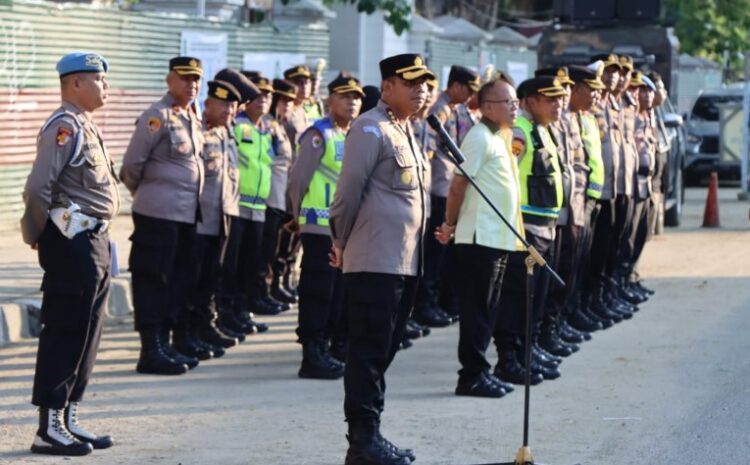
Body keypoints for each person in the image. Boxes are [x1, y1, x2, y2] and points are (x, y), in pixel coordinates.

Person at [329, 53, 432, 465]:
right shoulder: (370, 129)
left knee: (383, 349)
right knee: (369, 351)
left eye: (425, 83)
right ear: (387, 87)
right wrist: (339, 241)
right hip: (374, 260)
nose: (421, 90)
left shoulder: (405, 130)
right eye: (411, 83)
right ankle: (362, 442)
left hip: (403, 261)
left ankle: (370, 435)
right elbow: (347, 193)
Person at [21, 51, 118, 456]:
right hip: (71, 242)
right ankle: (49, 427)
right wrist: (37, 235)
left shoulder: (87, 126)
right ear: (75, 83)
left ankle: (69, 416)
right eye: (97, 79)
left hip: (94, 242)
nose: (105, 86)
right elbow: (37, 188)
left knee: (88, 333)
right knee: (64, 331)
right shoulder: (63, 127)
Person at [435, 76, 521, 398]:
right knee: (476, 312)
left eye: (514, 102)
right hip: (478, 240)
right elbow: (458, 185)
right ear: (486, 107)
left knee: (488, 311)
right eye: (507, 102)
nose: (514, 107)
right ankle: (470, 376)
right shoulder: (479, 138)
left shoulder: (499, 136)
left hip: (496, 240)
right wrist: (449, 223)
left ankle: (481, 370)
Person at [120, 56, 205, 375]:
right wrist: (148, 196)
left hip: (185, 215)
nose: (191, 84)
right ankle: (150, 348)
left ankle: (166, 344)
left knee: (178, 279)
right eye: (184, 78)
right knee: (153, 278)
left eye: (196, 79)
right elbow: (131, 165)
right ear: (169, 79)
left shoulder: (190, 117)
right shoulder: (156, 117)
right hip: (157, 214)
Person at [287, 73, 364, 379]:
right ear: (330, 100)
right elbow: (298, 179)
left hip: (345, 229)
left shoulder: (354, 135)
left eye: (356, 97)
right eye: (345, 96)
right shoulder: (319, 134)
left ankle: (333, 345)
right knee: (318, 290)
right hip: (318, 226)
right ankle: (312, 352)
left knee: (338, 291)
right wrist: (295, 216)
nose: (352, 102)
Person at [493, 76, 567, 386]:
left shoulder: (543, 130)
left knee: (534, 297)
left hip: (544, 226)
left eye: (560, 99)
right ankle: (509, 359)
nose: (558, 104)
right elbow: (504, 179)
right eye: (550, 99)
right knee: (516, 298)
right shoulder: (520, 133)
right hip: (525, 229)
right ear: (530, 101)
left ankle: (528, 350)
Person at [182, 72, 245, 359]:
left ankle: (205, 325)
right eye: (223, 106)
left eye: (232, 107)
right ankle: (189, 331)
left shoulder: (225, 132)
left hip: (223, 215)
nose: (229, 112)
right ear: (208, 104)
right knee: (192, 278)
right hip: (200, 218)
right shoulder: (198, 131)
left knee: (212, 276)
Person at [417, 65, 480, 329]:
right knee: (434, 254)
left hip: (448, 184)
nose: (469, 96)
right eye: (467, 89)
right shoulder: (440, 110)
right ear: (455, 86)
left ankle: (434, 302)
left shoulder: (454, 109)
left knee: (442, 255)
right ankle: (425, 305)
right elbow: (430, 152)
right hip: (440, 186)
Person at [565, 65, 609, 334]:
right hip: (571, 201)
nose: (596, 95)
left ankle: (574, 311)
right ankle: (560, 320)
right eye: (592, 90)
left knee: (581, 261)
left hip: (588, 197)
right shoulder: (566, 118)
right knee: (569, 263)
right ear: (576, 88)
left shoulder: (586, 117)